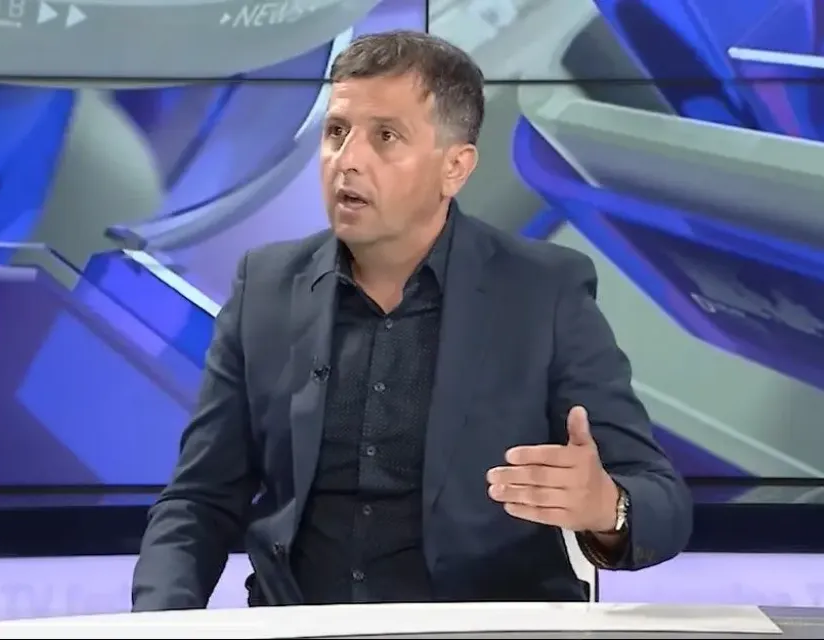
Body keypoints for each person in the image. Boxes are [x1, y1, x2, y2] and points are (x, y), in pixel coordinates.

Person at [131, 30, 692, 610]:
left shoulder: (542, 292)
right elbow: (198, 500)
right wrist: (156, 624)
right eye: (336, 131)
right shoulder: (266, 288)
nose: (348, 160)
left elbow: (663, 502)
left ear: (455, 167)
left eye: (386, 136)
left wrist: (606, 506)